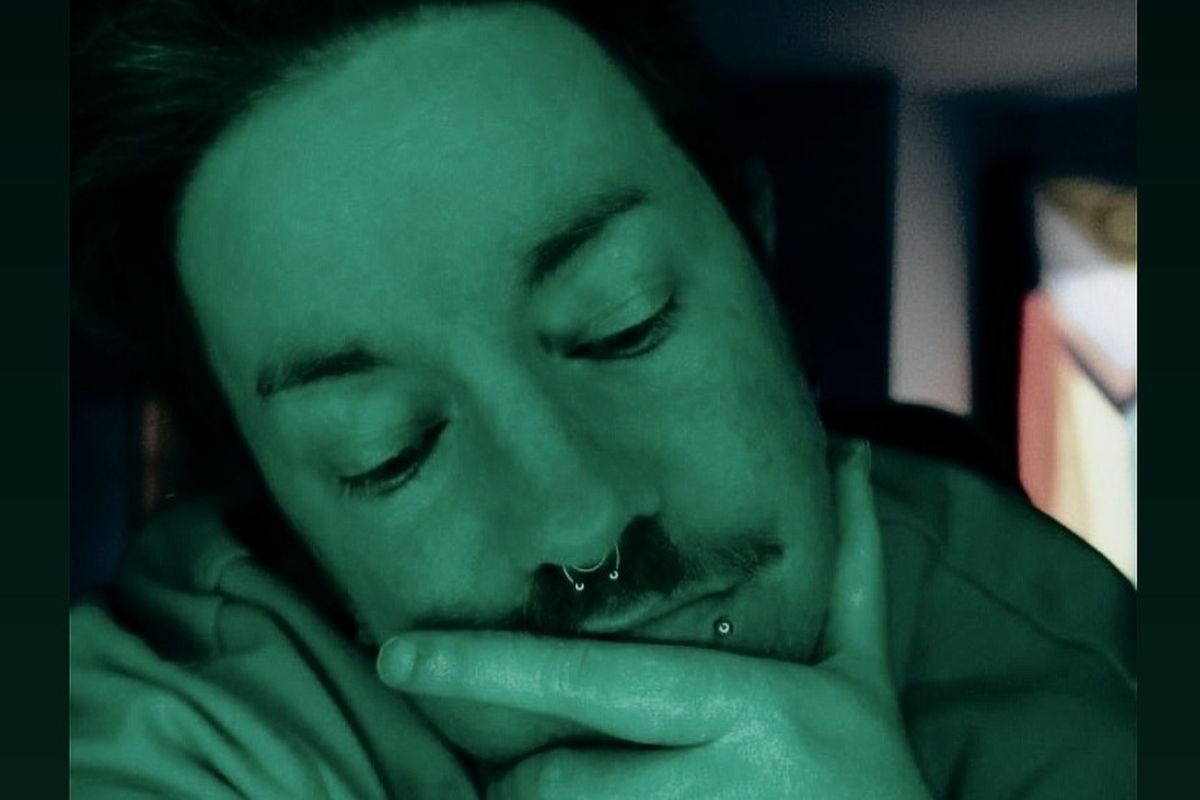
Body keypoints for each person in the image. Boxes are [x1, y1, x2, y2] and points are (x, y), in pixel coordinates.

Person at [69, 1, 1136, 797]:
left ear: (758, 249)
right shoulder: (172, 732)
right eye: (387, 450)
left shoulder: (1083, 673)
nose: (580, 521)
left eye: (622, 322)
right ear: (283, 518)